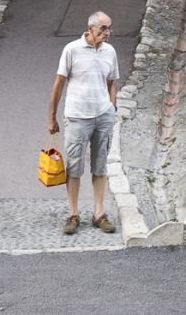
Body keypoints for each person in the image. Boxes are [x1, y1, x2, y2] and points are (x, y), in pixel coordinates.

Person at [47, 12, 119, 235]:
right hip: (77, 116)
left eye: (109, 28)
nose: (107, 33)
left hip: (103, 117)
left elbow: (111, 83)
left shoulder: (110, 52)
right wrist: (51, 116)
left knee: (100, 164)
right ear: (90, 27)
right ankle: (73, 213)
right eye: (103, 28)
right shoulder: (72, 50)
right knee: (75, 166)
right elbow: (59, 83)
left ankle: (98, 214)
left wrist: (112, 108)